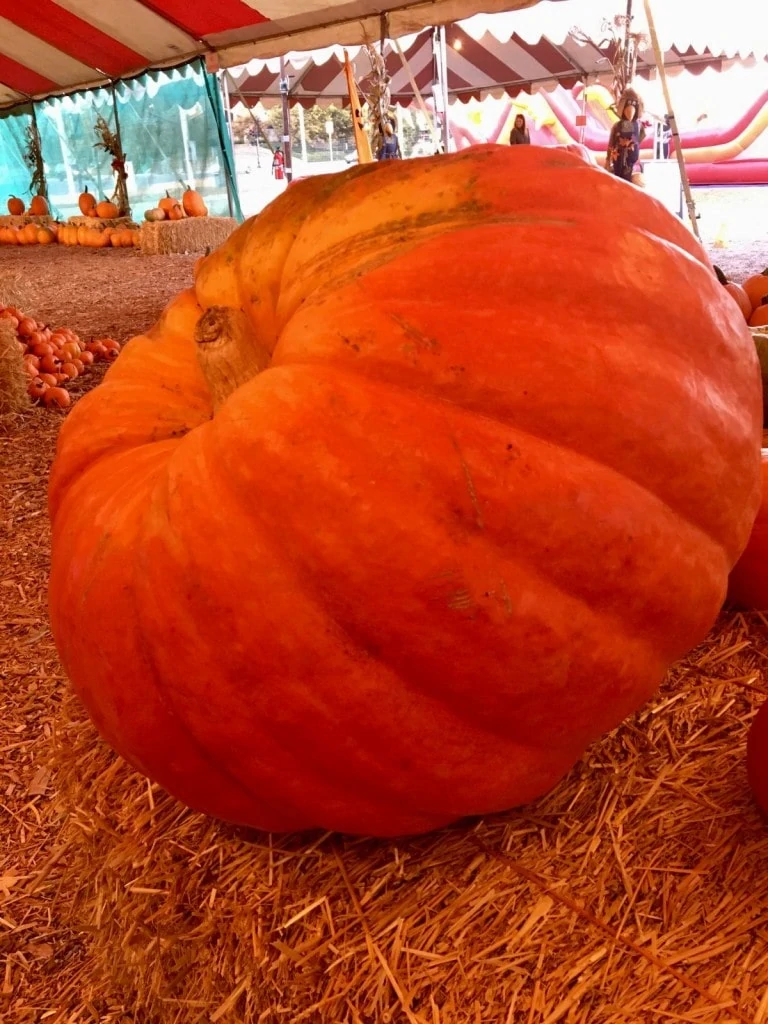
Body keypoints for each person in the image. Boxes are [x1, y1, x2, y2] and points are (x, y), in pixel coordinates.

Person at [606, 95, 645, 182]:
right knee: (618, 177)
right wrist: (608, 159)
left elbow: (641, 137)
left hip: (631, 161)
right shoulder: (617, 126)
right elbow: (611, 143)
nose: (630, 112)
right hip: (618, 160)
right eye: (627, 108)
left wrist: (634, 146)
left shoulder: (638, 125)